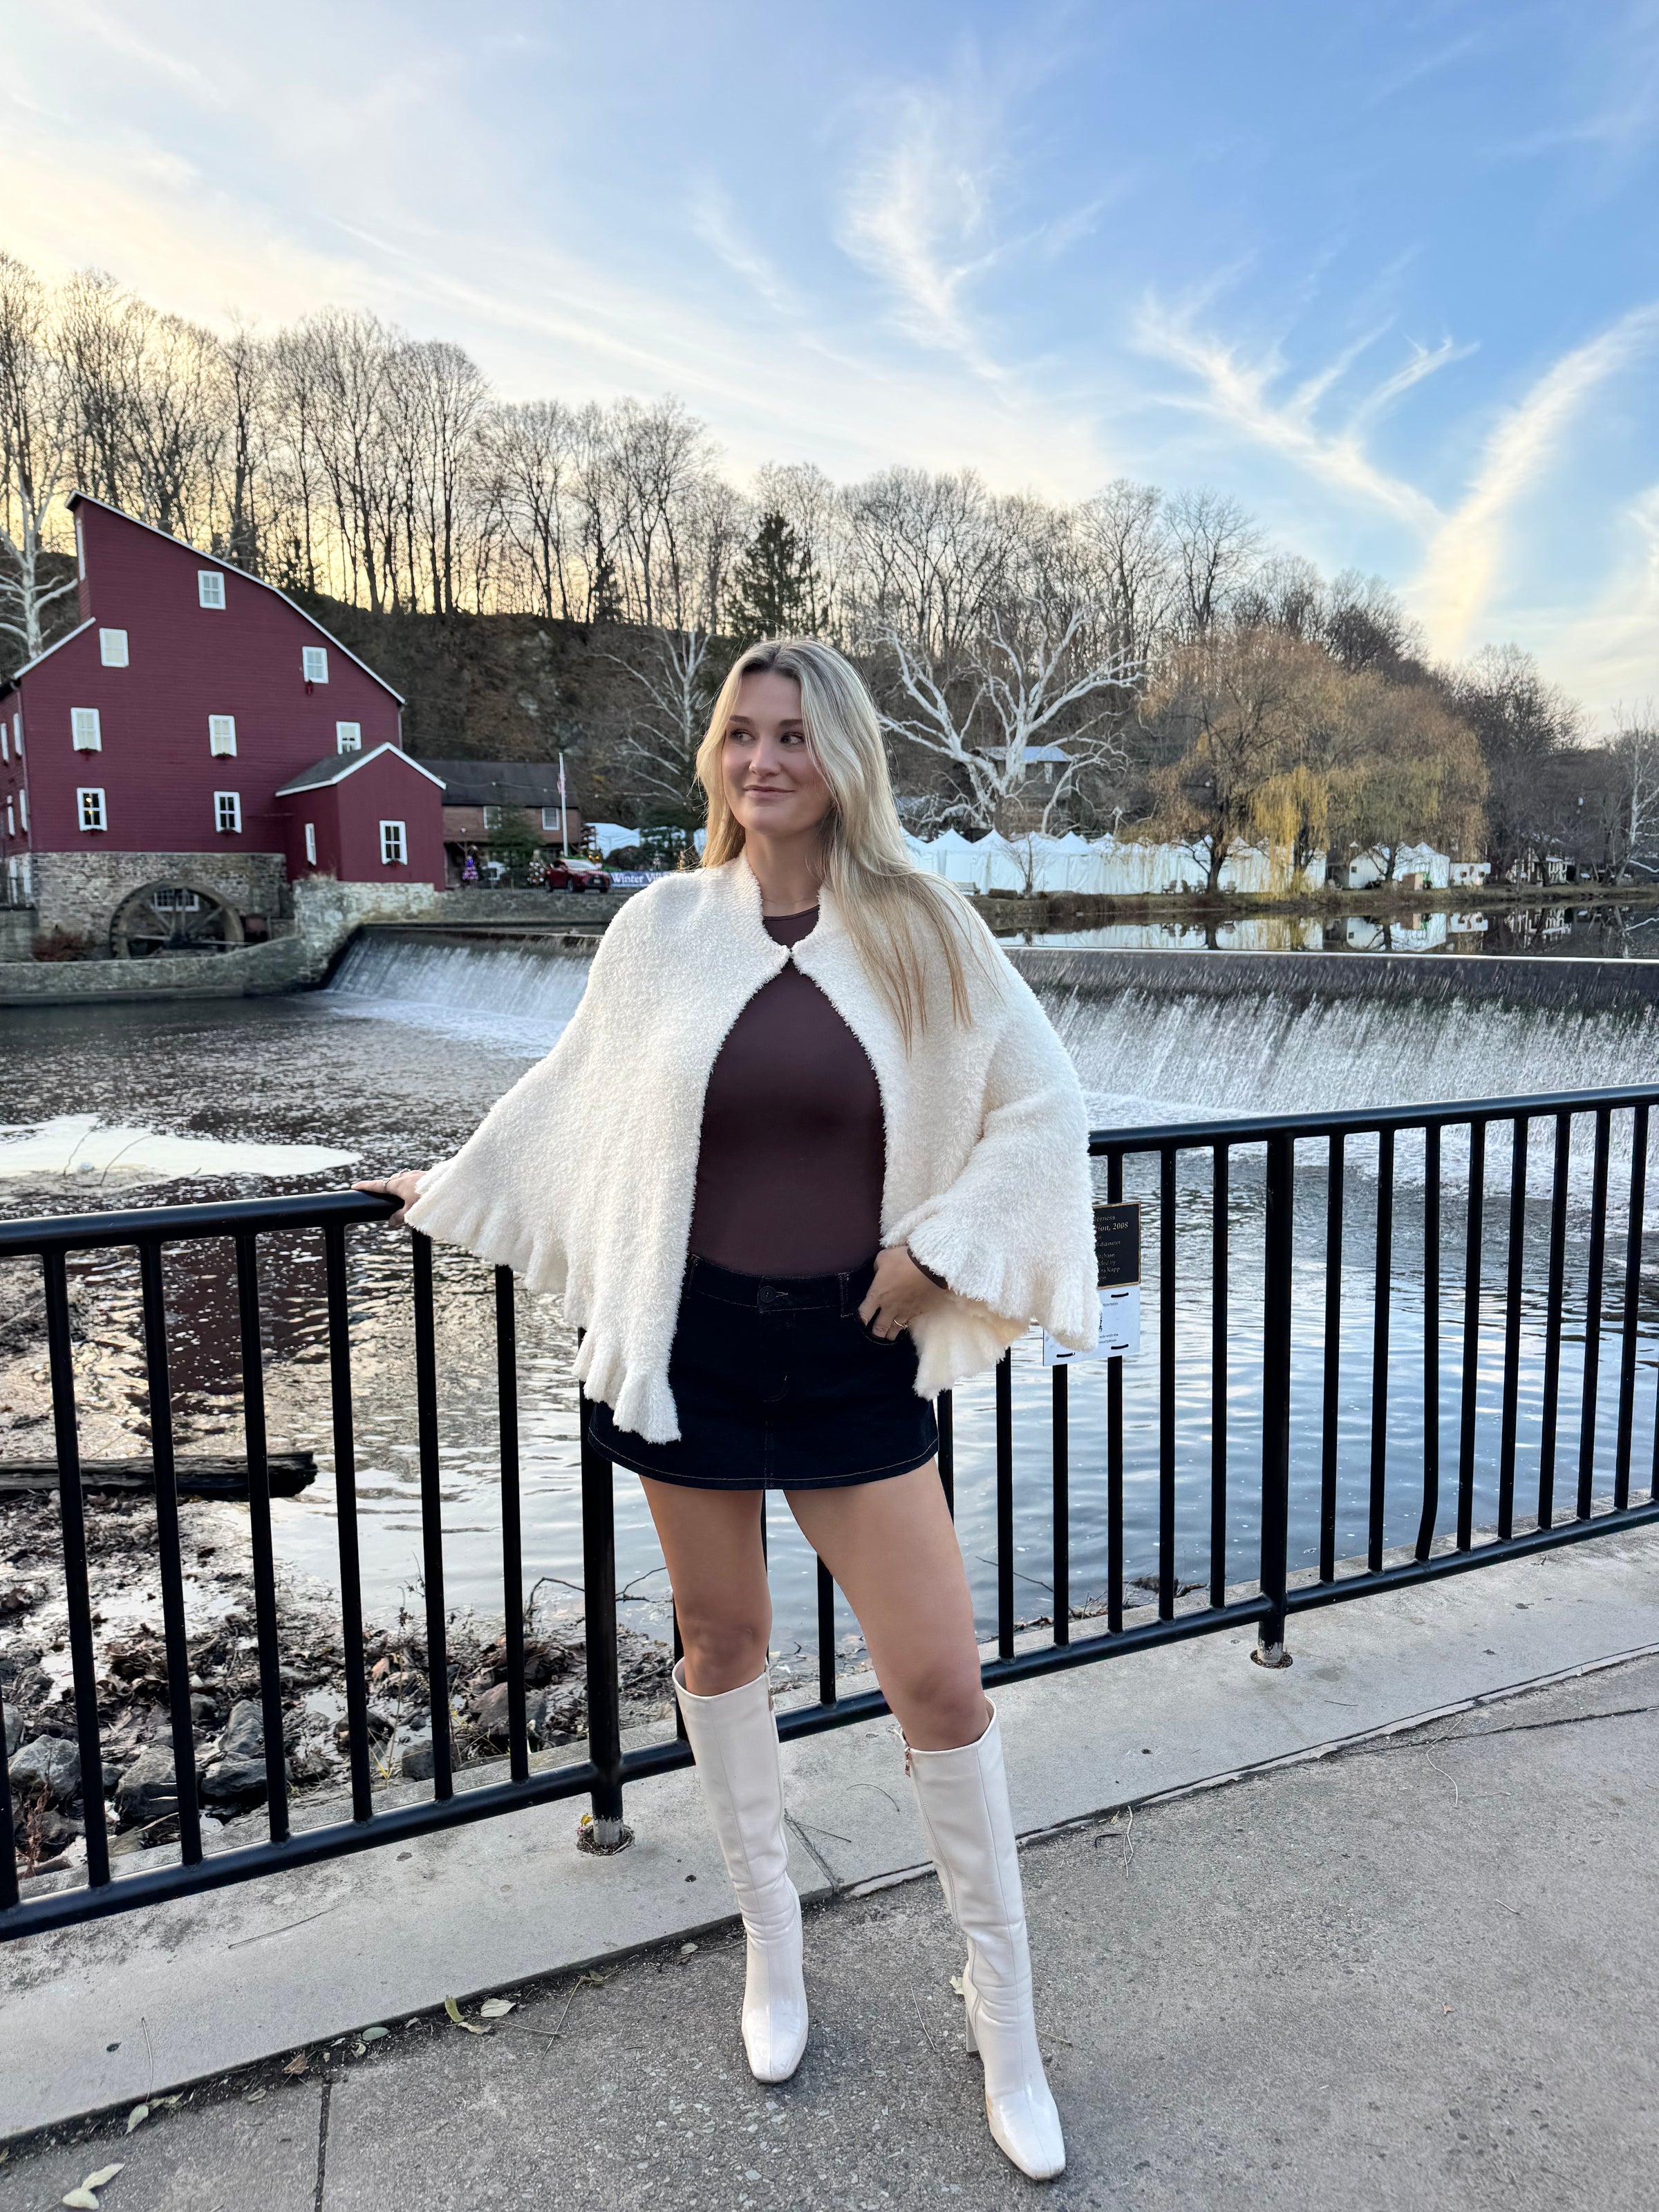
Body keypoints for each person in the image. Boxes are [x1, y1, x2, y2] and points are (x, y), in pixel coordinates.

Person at [359, 639, 1098, 2180]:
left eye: (795, 736)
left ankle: (1009, 2015)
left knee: (940, 1684)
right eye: (743, 734)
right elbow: (574, 1101)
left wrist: (943, 1249)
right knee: (722, 1643)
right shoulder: (662, 928)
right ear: (719, 755)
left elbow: (1044, 1109)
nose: (764, 760)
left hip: (851, 1350)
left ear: (844, 759)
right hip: (688, 1343)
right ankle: (772, 1943)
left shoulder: (924, 927)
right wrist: (456, 1184)